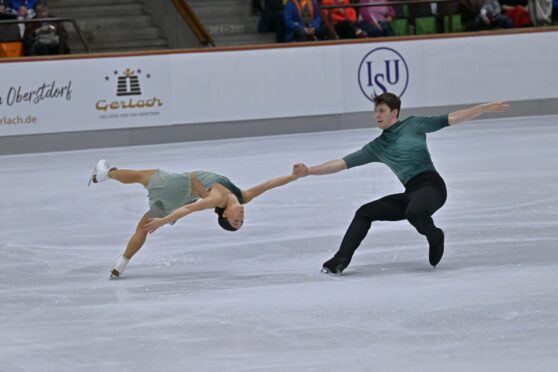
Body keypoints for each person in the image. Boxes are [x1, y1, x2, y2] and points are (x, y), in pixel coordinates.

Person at [293, 93, 509, 276]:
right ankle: (340, 260)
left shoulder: (414, 125)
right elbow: (341, 163)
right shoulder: (377, 147)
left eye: (382, 111)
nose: (377, 115)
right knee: (365, 212)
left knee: (414, 212)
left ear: (394, 112)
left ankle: (436, 236)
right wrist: (309, 171)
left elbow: (452, 118)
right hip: (411, 192)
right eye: (375, 111)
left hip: (432, 187)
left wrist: (484, 108)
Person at [89, 160, 300, 278]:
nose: (241, 219)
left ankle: (104, 174)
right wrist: (297, 175)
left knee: (142, 176)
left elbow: (190, 208)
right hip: (180, 197)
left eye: (236, 222)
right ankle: (122, 263)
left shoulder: (216, 198)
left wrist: (163, 221)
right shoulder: (243, 196)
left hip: (176, 187)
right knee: (143, 225)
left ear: (225, 214)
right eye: (241, 222)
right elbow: (271, 184)